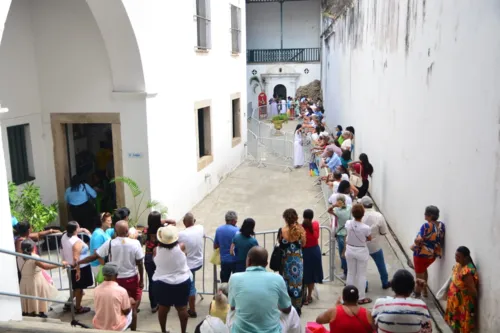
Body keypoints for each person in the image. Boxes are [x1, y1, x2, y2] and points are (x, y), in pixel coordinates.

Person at [78, 220, 144, 330]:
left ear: (115, 231)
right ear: (127, 231)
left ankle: (115, 325)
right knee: (132, 308)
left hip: (115, 280)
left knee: (117, 306)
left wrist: (79, 262)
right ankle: (133, 329)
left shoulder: (110, 243)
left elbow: (94, 256)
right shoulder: (135, 243)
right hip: (131, 279)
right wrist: (141, 280)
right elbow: (140, 263)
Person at [228, 246, 292, 333]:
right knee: (293, 312)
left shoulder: (235, 278)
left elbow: (232, 306)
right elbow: (287, 309)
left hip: (240, 331)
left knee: (231, 313)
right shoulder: (277, 278)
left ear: (249, 261)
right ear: (266, 264)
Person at [153, 225, 192, 333]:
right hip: (182, 281)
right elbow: (185, 255)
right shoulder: (182, 246)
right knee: (182, 308)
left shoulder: (156, 250)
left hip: (162, 283)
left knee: (163, 308)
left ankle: (163, 331)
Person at [17, 239, 64, 317]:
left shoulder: (19, 256)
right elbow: (45, 266)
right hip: (35, 281)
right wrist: (60, 264)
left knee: (29, 297)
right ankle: (39, 312)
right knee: (38, 296)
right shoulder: (34, 257)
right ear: (33, 248)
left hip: (24, 282)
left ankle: (30, 312)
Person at [411, 205, 445, 297]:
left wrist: (416, 239)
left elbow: (418, 240)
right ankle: (425, 291)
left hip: (421, 255)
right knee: (424, 270)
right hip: (432, 255)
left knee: (419, 276)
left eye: (425, 213)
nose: (424, 214)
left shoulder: (426, 225)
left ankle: (417, 294)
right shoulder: (441, 225)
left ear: (429, 215)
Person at [278, 208, 306, 315]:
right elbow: (303, 244)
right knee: (297, 283)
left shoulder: (282, 231)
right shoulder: (300, 230)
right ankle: (297, 307)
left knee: (287, 282)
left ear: (285, 218)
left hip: (286, 262)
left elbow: (280, 245)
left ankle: (287, 305)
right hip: (298, 262)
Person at [61, 221, 93, 314]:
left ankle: (69, 303)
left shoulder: (64, 236)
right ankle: (78, 307)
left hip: (70, 265)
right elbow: (76, 258)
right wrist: (78, 271)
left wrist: (83, 230)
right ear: (75, 230)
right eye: (78, 227)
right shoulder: (76, 242)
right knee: (79, 288)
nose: (80, 228)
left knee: (76, 287)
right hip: (80, 267)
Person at [93, 262, 136, 331]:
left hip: (98, 325)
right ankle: (134, 330)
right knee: (133, 306)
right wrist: (130, 302)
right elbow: (126, 311)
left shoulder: (96, 289)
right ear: (116, 275)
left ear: (103, 274)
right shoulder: (121, 291)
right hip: (116, 327)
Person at [343, 204, 372, 304]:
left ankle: (347, 296)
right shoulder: (366, 228)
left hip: (350, 249)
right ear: (363, 214)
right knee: (361, 275)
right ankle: (361, 297)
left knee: (350, 273)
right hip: (361, 251)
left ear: (352, 213)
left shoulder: (348, 223)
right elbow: (369, 238)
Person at [445, 246, 478, 333]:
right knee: (456, 325)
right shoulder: (458, 265)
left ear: (466, 257)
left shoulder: (467, 272)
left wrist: (462, 295)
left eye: (458, 256)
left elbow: (473, 291)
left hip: (463, 304)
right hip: (455, 303)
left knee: (463, 327)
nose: (456, 258)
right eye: (455, 256)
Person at [360, 196, 391, 289]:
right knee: (381, 264)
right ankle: (385, 283)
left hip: (361, 245)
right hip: (375, 245)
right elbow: (383, 232)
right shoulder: (379, 216)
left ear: (362, 205)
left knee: (362, 267)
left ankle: (364, 285)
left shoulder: (358, 215)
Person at [178, 212, 205, 318]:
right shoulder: (200, 228)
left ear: (184, 222)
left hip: (188, 265)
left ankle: (192, 310)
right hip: (198, 262)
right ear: (194, 221)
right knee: (189, 284)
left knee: (190, 287)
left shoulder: (181, 234)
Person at [301, 209, 323, 305]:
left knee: (304, 274)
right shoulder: (316, 224)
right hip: (315, 251)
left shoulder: (300, 227)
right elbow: (316, 236)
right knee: (312, 275)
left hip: (304, 252)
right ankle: (309, 296)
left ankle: (303, 296)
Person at [328, 194, 352, 280]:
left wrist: (334, 205)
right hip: (349, 233)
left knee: (343, 254)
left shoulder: (337, 211)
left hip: (341, 235)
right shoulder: (350, 208)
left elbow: (329, 210)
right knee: (348, 253)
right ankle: (349, 271)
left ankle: (345, 273)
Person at [144, 211, 163, 313]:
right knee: (162, 279)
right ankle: (162, 301)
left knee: (152, 281)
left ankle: (153, 305)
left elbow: (143, 241)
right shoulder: (162, 231)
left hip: (148, 257)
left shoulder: (146, 231)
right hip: (159, 257)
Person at [214, 211, 239, 283]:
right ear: (234, 221)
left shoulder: (219, 229)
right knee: (236, 282)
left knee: (224, 283)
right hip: (235, 260)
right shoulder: (237, 230)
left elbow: (215, 246)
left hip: (224, 261)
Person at [89, 212, 112, 282]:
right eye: (108, 221)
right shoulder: (98, 234)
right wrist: (105, 266)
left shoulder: (104, 231)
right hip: (99, 265)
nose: (111, 222)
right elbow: (97, 253)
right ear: (102, 222)